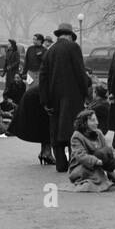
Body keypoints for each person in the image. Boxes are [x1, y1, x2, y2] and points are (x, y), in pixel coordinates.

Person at [39, 22, 92, 172]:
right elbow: (80, 73)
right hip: (73, 96)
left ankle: (60, 164)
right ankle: (73, 163)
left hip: (53, 98)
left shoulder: (50, 51)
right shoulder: (73, 47)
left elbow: (43, 77)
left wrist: (44, 100)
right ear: (70, 35)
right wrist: (85, 93)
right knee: (73, 130)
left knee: (56, 132)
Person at [67, 109, 115, 191]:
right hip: (80, 167)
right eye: (93, 120)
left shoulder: (98, 133)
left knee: (105, 152)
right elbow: (81, 156)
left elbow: (109, 147)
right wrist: (96, 161)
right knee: (99, 156)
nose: (97, 122)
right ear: (84, 123)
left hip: (98, 162)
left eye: (96, 120)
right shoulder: (77, 136)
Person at [8, 78, 55, 164]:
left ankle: (44, 152)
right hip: (35, 98)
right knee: (46, 123)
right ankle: (46, 153)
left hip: (34, 96)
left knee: (44, 123)